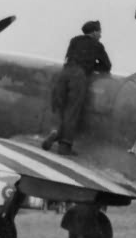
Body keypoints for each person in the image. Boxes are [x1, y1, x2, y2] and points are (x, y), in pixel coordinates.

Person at [43, 20, 112, 155]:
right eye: (99, 32)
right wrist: (91, 66)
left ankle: (55, 132)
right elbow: (107, 66)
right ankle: (65, 146)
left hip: (64, 72)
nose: (100, 35)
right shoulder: (97, 45)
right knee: (72, 110)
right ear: (93, 32)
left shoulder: (74, 40)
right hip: (79, 75)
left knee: (59, 106)